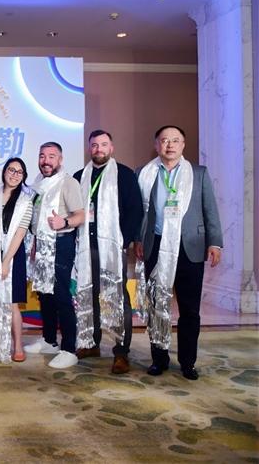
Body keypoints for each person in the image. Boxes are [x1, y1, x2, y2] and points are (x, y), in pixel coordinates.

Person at [135, 125, 222, 380]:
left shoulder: (199, 173)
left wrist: (215, 243)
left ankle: (187, 362)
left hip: (189, 247)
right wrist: (138, 239)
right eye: (164, 140)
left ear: (183, 145)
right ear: (156, 145)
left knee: (189, 310)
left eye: (175, 140)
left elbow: (210, 210)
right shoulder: (144, 173)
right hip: (156, 246)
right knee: (157, 306)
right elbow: (141, 213)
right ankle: (159, 359)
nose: (170, 145)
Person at [72, 130, 143, 374]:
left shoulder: (124, 174)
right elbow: (73, 211)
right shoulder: (79, 177)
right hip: (86, 246)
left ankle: (121, 352)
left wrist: (124, 240)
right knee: (88, 294)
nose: (99, 149)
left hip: (113, 246)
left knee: (118, 297)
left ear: (111, 148)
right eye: (94, 145)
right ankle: (91, 343)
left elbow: (135, 210)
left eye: (103, 144)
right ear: (89, 148)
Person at [24, 142, 85, 369]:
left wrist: (64, 222)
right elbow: (36, 218)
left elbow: (81, 215)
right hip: (42, 244)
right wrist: (35, 244)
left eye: (51, 156)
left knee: (60, 294)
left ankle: (69, 349)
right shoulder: (39, 183)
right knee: (44, 293)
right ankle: (49, 340)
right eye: (42, 156)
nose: (46, 161)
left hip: (61, 243)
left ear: (60, 160)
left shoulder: (68, 183)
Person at [0, 158, 33, 363]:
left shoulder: (26, 201)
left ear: (23, 177)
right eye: (11, 170)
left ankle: (17, 346)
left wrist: (6, 261)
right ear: (4, 171)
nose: (14, 175)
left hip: (14, 255)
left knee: (13, 304)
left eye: (19, 172)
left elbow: (20, 234)